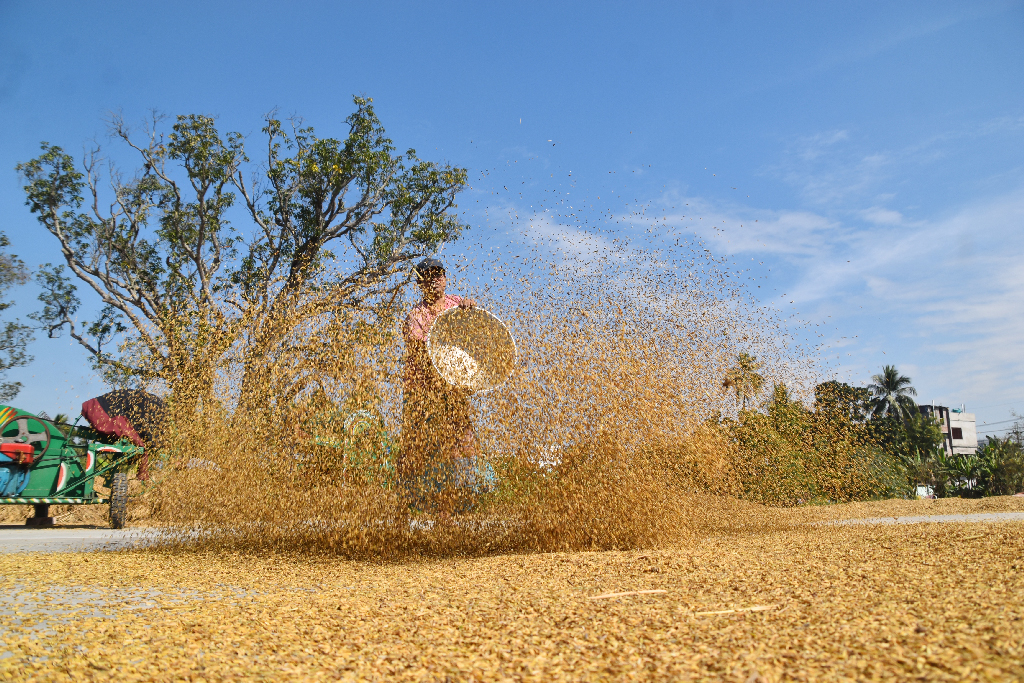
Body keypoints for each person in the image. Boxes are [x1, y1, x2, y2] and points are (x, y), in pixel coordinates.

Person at [400, 257, 481, 516]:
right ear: (420, 283)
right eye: (428, 276)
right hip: (423, 393)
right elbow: (422, 352)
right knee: (427, 451)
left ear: (445, 278)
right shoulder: (416, 315)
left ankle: (459, 510)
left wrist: (471, 309)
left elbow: (476, 333)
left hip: (452, 392)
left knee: (462, 448)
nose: (435, 280)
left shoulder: (457, 304)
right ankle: (418, 511)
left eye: (438, 274)